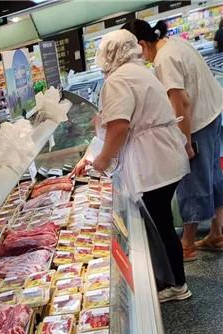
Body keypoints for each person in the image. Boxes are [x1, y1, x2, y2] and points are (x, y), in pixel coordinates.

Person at [74, 29, 191, 302]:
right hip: (163, 154)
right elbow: (112, 123)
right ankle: (171, 278)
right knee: (162, 221)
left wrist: (101, 160)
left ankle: (175, 284)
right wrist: (92, 154)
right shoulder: (136, 71)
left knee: (160, 225)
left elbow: (118, 127)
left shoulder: (118, 79)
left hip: (153, 160)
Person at [125, 19, 223, 257]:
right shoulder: (175, 43)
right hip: (212, 113)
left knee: (193, 183)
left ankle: (187, 244)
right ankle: (217, 233)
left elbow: (181, 103)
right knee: (213, 177)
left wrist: (184, 142)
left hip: (197, 123)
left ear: (141, 44)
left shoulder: (164, 59)